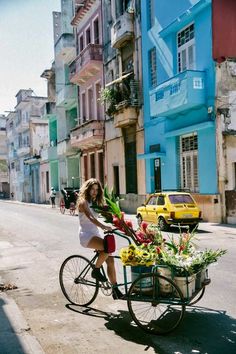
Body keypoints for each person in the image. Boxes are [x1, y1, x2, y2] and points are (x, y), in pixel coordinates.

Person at [76, 178, 124, 299]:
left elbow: (106, 211)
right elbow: (91, 218)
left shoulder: (95, 202)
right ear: (87, 189)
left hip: (96, 234)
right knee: (107, 248)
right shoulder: (83, 202)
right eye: (92, 189)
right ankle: (95, 270)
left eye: (97, 190)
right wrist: (103, 226)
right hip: (86, 235)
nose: (94, 192)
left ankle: (115, 289)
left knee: (111, 260)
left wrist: (118, 219)